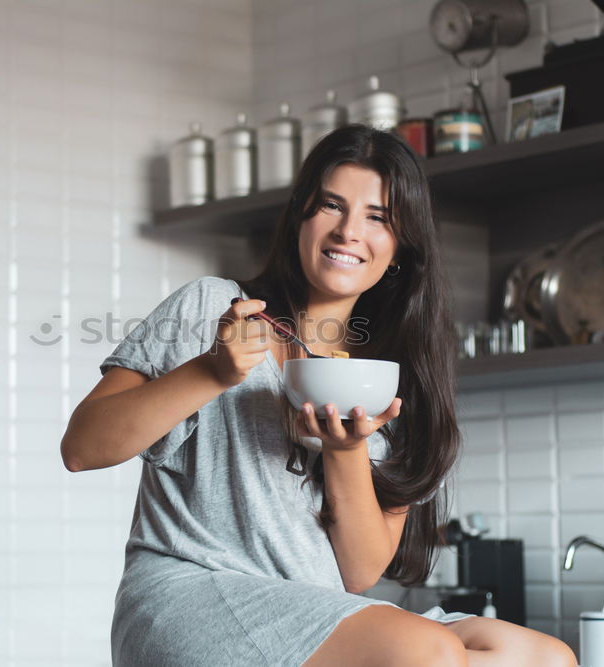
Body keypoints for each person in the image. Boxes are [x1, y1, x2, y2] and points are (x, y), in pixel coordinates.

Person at [61, 125, 576, 666]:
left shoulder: (391, 382)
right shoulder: (217, 309)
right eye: (331, 206)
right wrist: (212, 371)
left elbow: (357, 574)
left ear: (399, 249)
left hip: (314, 605)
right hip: (189, 596)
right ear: (301, 219)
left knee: (542, 658)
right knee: (428, 653)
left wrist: (347, 451)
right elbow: (82, 447)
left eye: (377, 217)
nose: (349, 231)